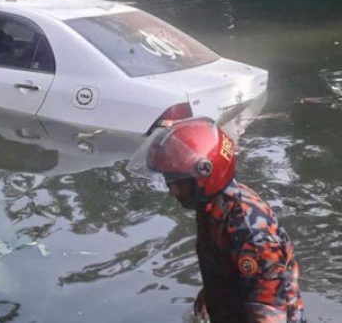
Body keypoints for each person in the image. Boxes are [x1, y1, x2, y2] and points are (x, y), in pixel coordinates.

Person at [128, 118, 305, 323]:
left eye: (176, 182)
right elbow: (224, 262)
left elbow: (268, 313)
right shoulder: (211, 205)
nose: (171, 191)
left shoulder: (252, 235)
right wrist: (210, 291)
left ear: (203, 176)